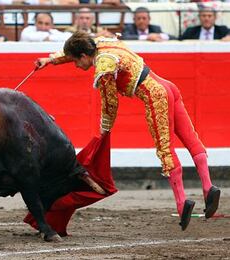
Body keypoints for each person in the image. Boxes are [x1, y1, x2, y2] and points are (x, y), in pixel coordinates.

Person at [35, 31, 221, 231]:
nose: (77, 66)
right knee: (190, 138)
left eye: (76, 61)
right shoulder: (101, 42)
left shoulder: (104, 66)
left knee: (165, 148)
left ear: (84, 56)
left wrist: (105, 130)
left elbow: (110, 103)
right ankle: (207, 187)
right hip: (168, 87)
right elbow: (76, 47)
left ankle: (182, 203)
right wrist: (50, 60)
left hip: (156, 95)